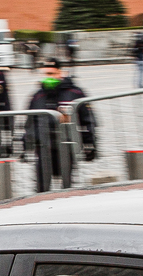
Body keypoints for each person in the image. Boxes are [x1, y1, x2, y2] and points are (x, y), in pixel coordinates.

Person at [21, 58, 97, 192]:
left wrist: (90, 144)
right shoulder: (37, 96)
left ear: (60, 73)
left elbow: (88, 119)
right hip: (44, 149)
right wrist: (25, 146)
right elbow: (29, 123)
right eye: (45, 74)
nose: (47, 77)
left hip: (66, 148)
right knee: (41, 190)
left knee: (66, 189)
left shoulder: (75, 94)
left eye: (51, 74)